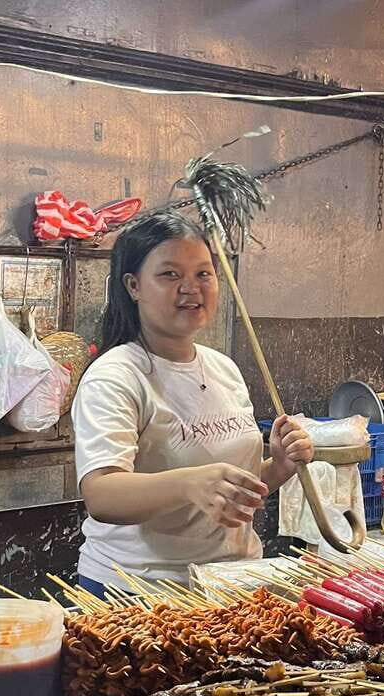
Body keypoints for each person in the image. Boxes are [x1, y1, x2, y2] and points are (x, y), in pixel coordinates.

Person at [72, 212, 313, 597]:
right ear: (133, 286)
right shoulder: (116, 376)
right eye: (170, 275)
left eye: (204, 274)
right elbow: (102, 495)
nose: (191, 288)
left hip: (232, 584)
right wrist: (190, 483)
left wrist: (280, 466)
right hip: (139, 591)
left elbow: (230, 495)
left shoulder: (224, 369)